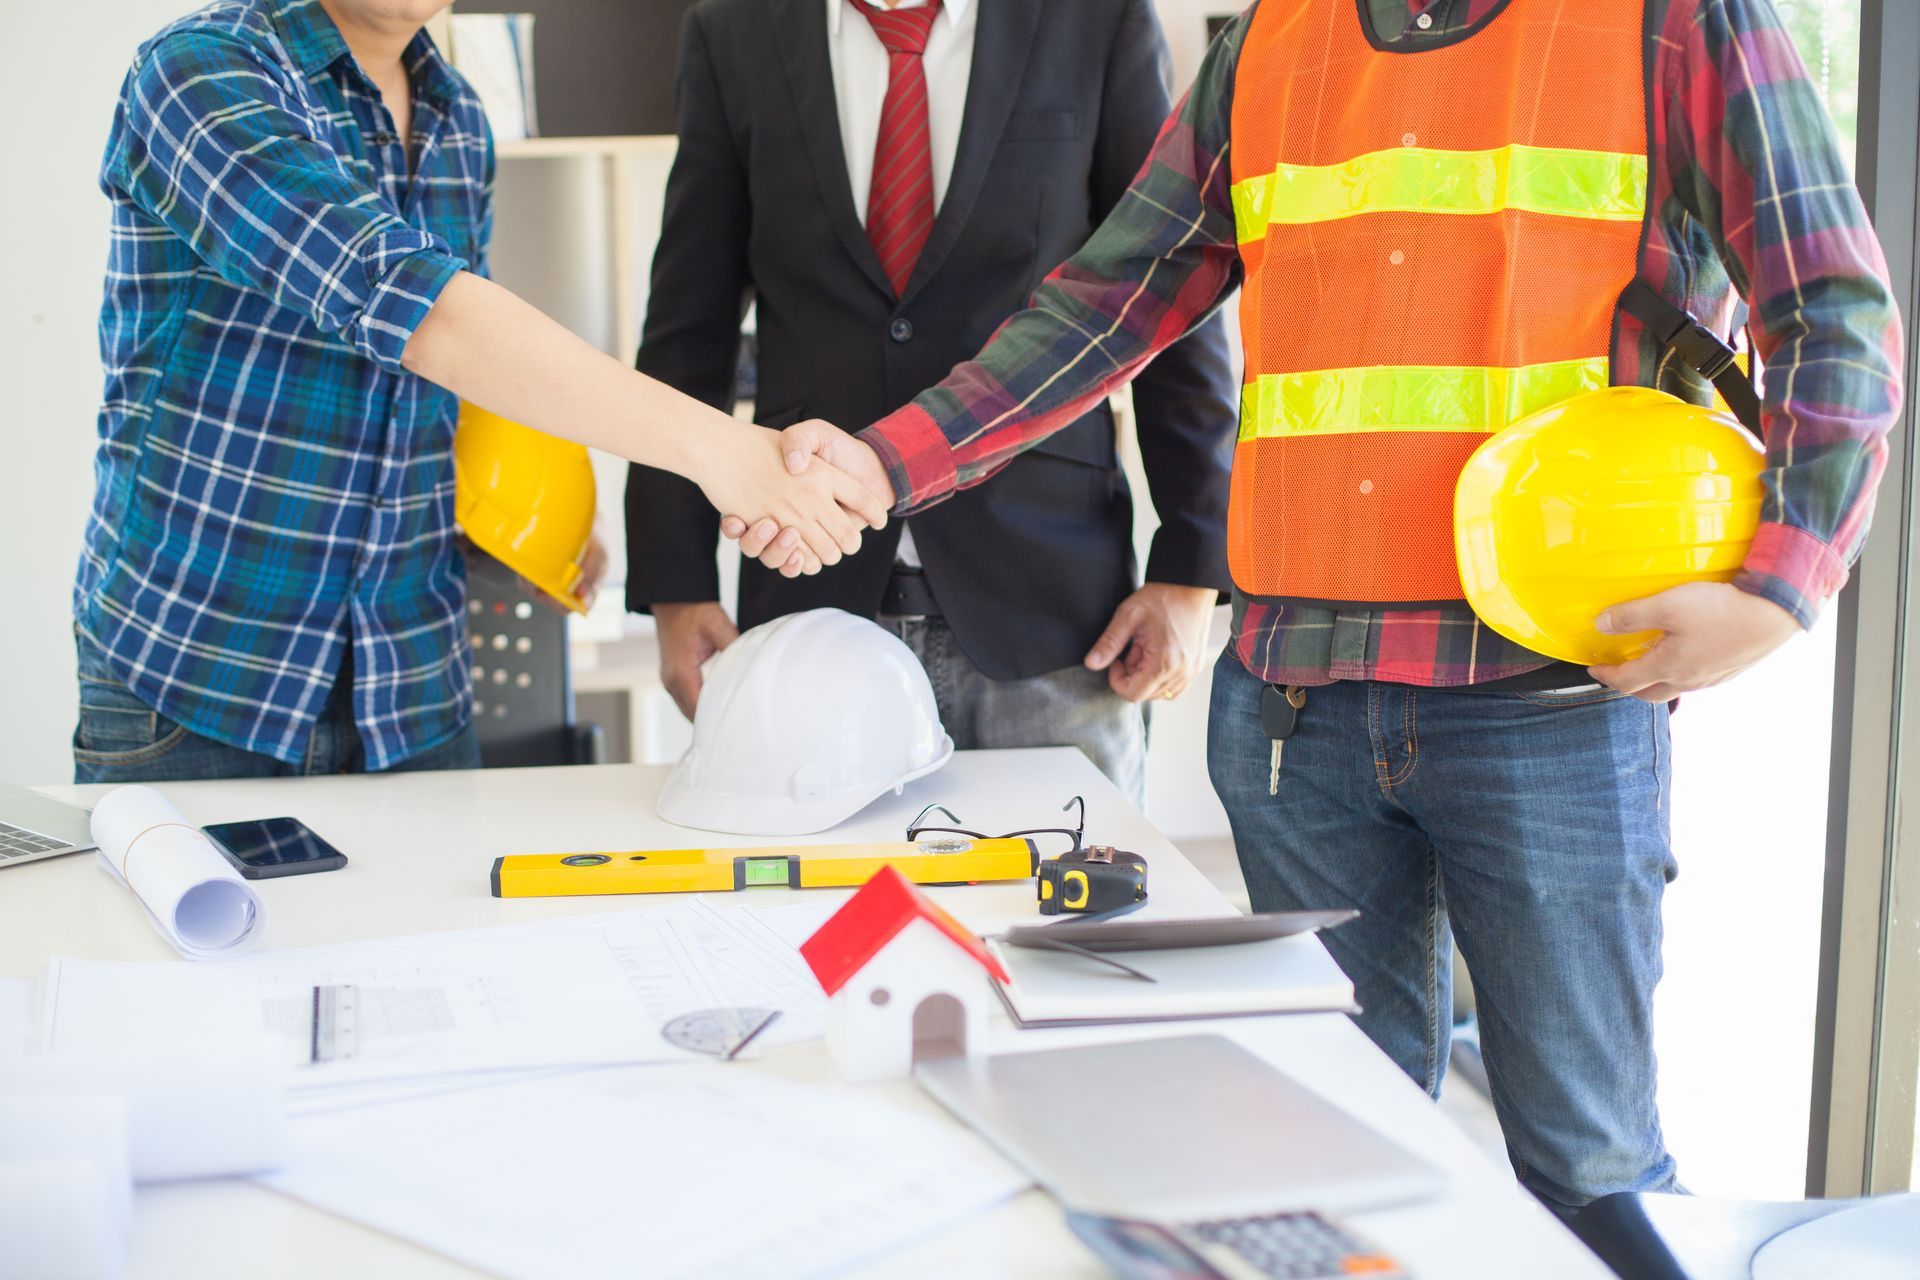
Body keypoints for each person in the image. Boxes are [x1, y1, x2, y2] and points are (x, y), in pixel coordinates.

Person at [738, 0, 1905, 1213]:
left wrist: (1783, 581)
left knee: (1587, 1165)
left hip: (1550, 702)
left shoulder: (1669, 21)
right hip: (1298, 710)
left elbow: (1834, 307)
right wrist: (887, 465)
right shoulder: (1272, 41)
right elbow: (1107, 302)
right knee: (1336, 1150)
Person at [73, 0, 887, 784]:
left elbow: (455, 380)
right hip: (200, 682)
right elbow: (421, 311)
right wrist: (727, 453)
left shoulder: (457, 116)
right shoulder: (202, 71)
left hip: (412, 687)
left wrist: (545, 515)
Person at [625, 0, 1238, 803]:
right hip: (809, 604)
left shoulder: (1098, 18)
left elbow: (1167, 288)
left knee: (1062, 920)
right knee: (815, 925)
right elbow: (688, 327)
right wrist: (678, 588)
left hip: (1053, 617)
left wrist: (1192, 569)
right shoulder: (733, 29)